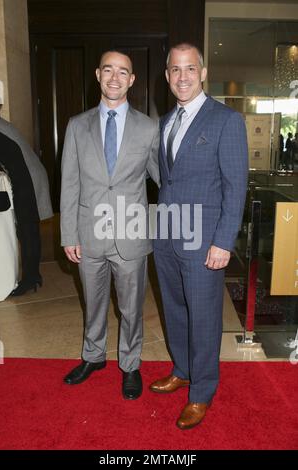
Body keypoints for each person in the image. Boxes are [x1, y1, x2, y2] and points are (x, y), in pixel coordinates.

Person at [149, 43, 248, 429]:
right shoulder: (165, 122)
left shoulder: (226, 120)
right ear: (168, 76)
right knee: (174, 309)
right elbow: (167, 180)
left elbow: (235, 185)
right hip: (169, 237)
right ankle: (183, 369)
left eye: (190, 68)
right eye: (175, 69)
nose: (183, 76)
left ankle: (202, 391)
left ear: (203, 73)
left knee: (204, 316)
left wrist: (223, 241)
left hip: (206, 240)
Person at [61, 50, 160, 399]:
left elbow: (165, 180)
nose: (115, 78)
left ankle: (130, 364)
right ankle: (94, 356)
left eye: (123, 72)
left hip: (131, 234)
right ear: (98, 75)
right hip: (88, 233)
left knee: (132, 307)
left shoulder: (149, 128)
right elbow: (69, 183)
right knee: (94, 301)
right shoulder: (76, 125)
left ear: (132, 80)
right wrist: (69, 234)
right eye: (108, 70)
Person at [0, 118, 53, 296]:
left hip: (27, 176)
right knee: (27, 229)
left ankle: (31, 278)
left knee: (28, 229)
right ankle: (33, 276)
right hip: (26, 173)